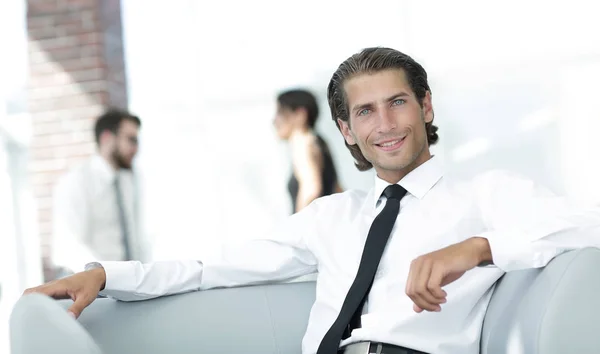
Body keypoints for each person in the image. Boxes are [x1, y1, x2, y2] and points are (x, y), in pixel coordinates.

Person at [23, 47, 600, 354]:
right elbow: (211, 269)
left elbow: (584, 230)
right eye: (365, 112)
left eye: (398, 103)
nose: (386, 125)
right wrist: (104, 274)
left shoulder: (486, 195)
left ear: (426, 107)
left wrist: (476, 248)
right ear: (346, 130)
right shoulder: (331, 217)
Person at [50, 108, 148, 277]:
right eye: (131, 140)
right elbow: (69, 245)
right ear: (106, 138)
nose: (136, 148)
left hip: (126, 284)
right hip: (88, 283)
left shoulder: (130, 180)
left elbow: (137, 237)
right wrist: (105, 277)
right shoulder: (77, 182)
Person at [274, 89, 342, 213]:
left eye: (280, 112)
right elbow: (338, 189)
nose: (274, 121)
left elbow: (311, 188)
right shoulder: (319, 141)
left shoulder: (301, 141)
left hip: (313, 228)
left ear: (301, 114)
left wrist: (297, 227)